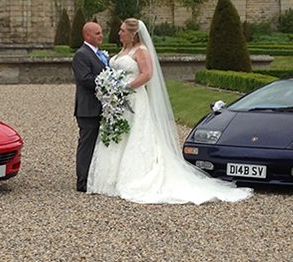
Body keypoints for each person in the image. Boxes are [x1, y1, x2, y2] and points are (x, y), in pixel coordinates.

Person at [86, 18, 252, 204]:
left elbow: (147, 75)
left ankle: (134, 178)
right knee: (119, 133)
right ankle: (110, 179)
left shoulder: (141, 51)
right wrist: (110, 87)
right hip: (117, 102)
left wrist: (124, 86)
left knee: (135, 134)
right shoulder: (121, 51)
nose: (119, 33)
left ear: (133, 33)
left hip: (133, 98)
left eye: (123, 30)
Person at [72, 22, 106, 192]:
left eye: (101, 32)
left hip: (100, 107)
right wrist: (108, 83)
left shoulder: (99, 54)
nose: (101, 35)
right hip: (88, 109)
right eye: (97, 33)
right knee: (87, 144)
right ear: (87, 36)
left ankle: (95, 178)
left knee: (98, 144)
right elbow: (85, 79)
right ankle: (82, 182)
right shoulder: (81, 55)